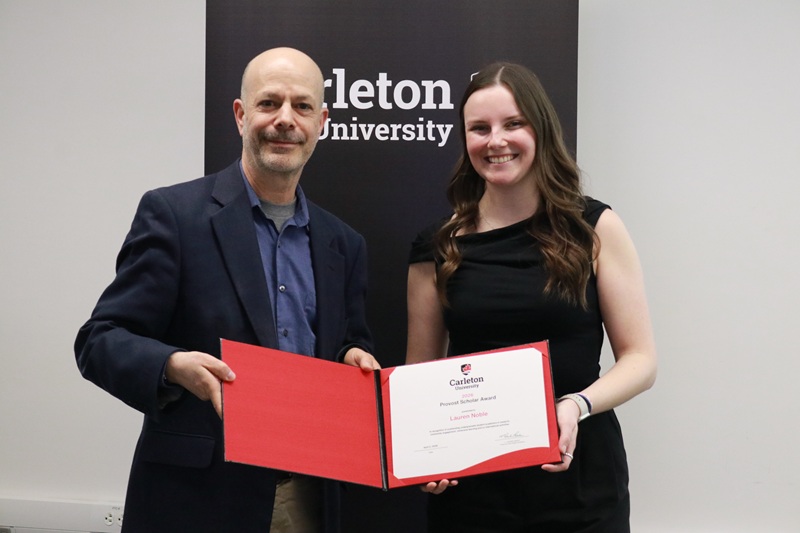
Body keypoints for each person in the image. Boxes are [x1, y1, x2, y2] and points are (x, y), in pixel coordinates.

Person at [75, 47, 379, 533]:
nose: (285, 119)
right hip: (194, 502)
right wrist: (173, 367)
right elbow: (99, 340)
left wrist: (353, 356)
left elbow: (348, 340)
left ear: (321, 122)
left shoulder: (343, 243)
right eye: (268, 103)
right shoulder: (174, 216)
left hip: (306, 497)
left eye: (302, 106)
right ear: (241, 115)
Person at [405, 61, 657, 532]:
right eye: (479, 128)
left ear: (539, 128)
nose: (495, 141)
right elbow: (421, 378)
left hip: (581, 485)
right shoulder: (437, 246)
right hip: (472, 494)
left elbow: (641, 360)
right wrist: (424, 453)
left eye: (513, 123)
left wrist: (576, 405)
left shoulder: (594, 228)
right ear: (465, 139)